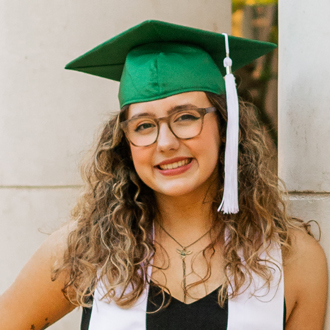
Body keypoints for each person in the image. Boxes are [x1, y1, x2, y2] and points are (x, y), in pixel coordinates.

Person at [0, 20, 327, 330]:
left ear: (225, 126)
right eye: (143, 125)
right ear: (125, 142)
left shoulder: (294, 262)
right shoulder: (84, 250)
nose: (166, 143)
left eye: (186, 117)